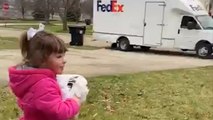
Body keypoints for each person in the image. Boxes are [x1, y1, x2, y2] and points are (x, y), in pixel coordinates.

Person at [8, 25, 80, 120]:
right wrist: (74, 102)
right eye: (59, 57)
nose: (64, 60)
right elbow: (58, 113)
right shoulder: (44, 84)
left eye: (63, 56)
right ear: (41, 60)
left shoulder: (32, 81)